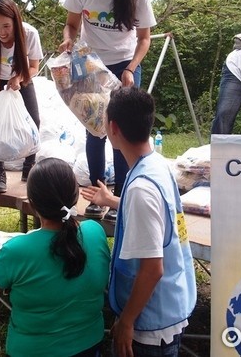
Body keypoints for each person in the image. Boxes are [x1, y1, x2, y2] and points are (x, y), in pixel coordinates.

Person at [82, 87, 196, 357]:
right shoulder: (156, 164)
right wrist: (113, 201)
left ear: (113, 128)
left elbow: (152, 269)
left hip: (149, 327)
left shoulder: (141, 189)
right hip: (170, 304)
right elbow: (159, 214)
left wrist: (126, 321)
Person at [58, 0, 156, 222]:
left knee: (123, 131)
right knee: (95, 129)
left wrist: (130, 69)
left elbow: (144, 38)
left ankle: (123, 197)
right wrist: (68, 38)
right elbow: (71, 24)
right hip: (90, 65)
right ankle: (97, 195)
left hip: (124, 64)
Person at [0, 157, 111, 357]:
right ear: (75, 196)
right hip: (89, 344)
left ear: (31, 202)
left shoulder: (16, 250)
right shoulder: (94, 232)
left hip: (33, 350)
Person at [0, 0, 43, 192]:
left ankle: (28, 168)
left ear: (16, 21)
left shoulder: (29, 34)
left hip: (22, 76)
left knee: (34, 120)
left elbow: (34, 67)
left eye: (6, 26)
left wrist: (18, 78)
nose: (1, 32)